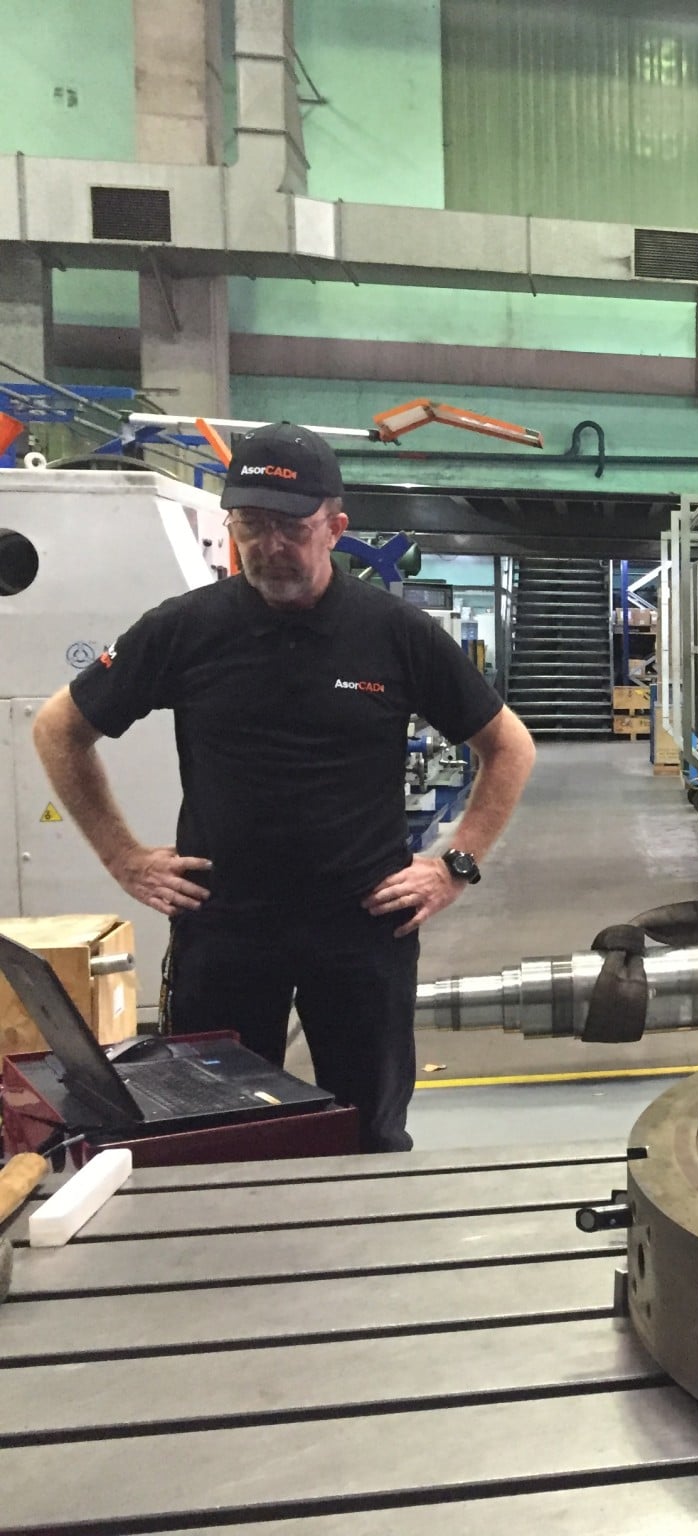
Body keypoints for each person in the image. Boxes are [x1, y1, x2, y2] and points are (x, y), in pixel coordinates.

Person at [32, 422, 536, 1151]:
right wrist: (122, 857)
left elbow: (509, 747)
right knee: (215, 1134)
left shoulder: (395, 632)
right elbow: (59, 729)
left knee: (369, 1132)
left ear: (335, 528)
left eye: (291, 528)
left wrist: (455, 865)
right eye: (251, 525)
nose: (269, 546)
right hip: (224, 928)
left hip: (363, 929)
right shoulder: (185, 629)